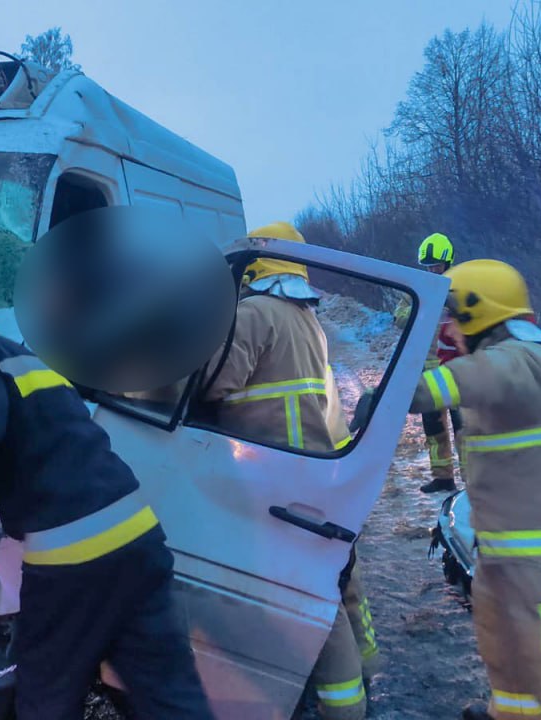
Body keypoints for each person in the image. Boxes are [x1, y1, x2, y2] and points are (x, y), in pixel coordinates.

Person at [0, 288, 215, 720]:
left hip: (73, 550)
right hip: (139, 534)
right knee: (170, 694)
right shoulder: (20, 355)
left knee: (45, 693)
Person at [409, 259, 541, 720]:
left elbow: (453, 383)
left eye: (453, 316)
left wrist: (391, 393)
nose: (449, 329)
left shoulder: (520, 362)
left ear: (476, 313)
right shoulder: (517, 360)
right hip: (505, 546)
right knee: (504, 650)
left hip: (537, 555)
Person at [199, 222, 378, 720]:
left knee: (307, 599)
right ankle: (367, 669)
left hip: (277, 479)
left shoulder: (256, 313)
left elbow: (214, 384)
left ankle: (342, 707)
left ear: (254, 265)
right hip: (317, 474)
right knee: (341, 577)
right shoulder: (304, 317)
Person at [395, 232, 465, 493]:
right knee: (434, 429)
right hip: (427, 369)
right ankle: (443, 477)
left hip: (457, 368)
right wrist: (424, 308)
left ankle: (473, 481)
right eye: (428, 266)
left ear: (447, 262)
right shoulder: (417, 287)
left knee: (464, 429)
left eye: (436, 265)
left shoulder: (462, 285)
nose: (432, 270)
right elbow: (399, 317)